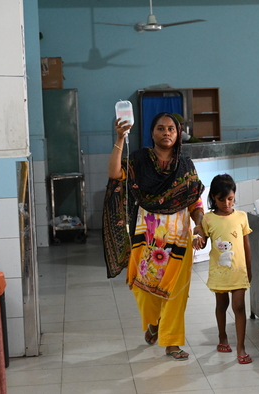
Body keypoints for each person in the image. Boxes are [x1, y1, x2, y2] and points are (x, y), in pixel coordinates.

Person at [102, 112, 206, 360]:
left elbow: (195, 201)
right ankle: (155, 322)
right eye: (161, 128)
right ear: (152, 133)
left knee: (177, 292)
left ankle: (172, 342)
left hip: (180, 237)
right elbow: (115, 173)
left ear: (178, 133)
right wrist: (120, 137)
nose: (167, 132)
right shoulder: (139, 160)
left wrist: (199, 224)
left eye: (171, 128)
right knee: (144, 288)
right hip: (147, 236)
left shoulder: (185, 164)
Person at [197, 174, 253, 364]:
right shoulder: (208, 219)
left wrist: (249, 269)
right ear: (213, 197)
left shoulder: (242, 217)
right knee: (222, 305)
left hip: (239, 271)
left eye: (230, 199)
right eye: (222, 199)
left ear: (234, 196)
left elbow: (246, 246)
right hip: (220, 273)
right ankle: (222, 337)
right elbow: (204, 242)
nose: (227, 203)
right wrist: (198, 238)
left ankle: (241, 347)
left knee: (239, 306)